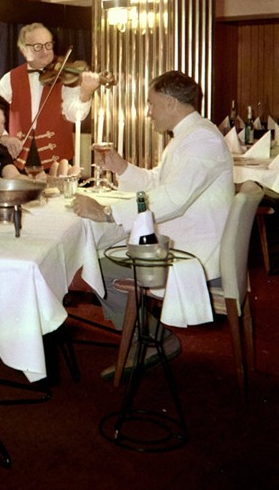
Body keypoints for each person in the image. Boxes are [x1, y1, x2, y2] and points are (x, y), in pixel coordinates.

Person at [72, 70, 234, 377]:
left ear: (170, 103)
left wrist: (107, 213)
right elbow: (158, 184)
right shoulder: (191, 135)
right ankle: (149, 334)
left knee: (93, 266)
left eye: (151, 103)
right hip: (182, 240)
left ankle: (151, 338)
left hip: (192, 255)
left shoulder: (201, 139)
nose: (148, 112)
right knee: (100, 253)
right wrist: (122, 167)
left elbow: (174, 199)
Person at [0, 23, 99, 172]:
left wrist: (85, 94)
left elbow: (74, 114)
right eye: (37, 46)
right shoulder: (10, 78)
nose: (45, 51)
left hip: (58, 162)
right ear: (24, 50)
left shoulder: (66, 75)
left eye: (48, 45)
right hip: (18, 158)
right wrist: (4, 138)